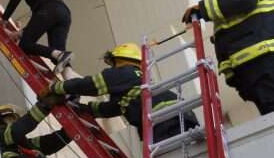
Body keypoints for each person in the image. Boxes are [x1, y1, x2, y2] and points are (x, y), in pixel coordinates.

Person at [42, 43, 199, 143]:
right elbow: (111, 108)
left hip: (164, 120)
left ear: (120, 59)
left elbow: (89, 85)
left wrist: (55, 88)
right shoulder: (137, 83)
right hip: (179, 118)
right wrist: (80, 108)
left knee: (169, 157)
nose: (112, 67)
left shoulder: (125, 72)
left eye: (112, 63)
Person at [3, 0, 75, 71]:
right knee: (58, 57)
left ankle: (59, 55)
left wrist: (4, 19)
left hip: (49, 9)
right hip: (63, 14)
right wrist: (21, 32)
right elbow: (37, 21)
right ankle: (71, 77)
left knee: (25, 45)